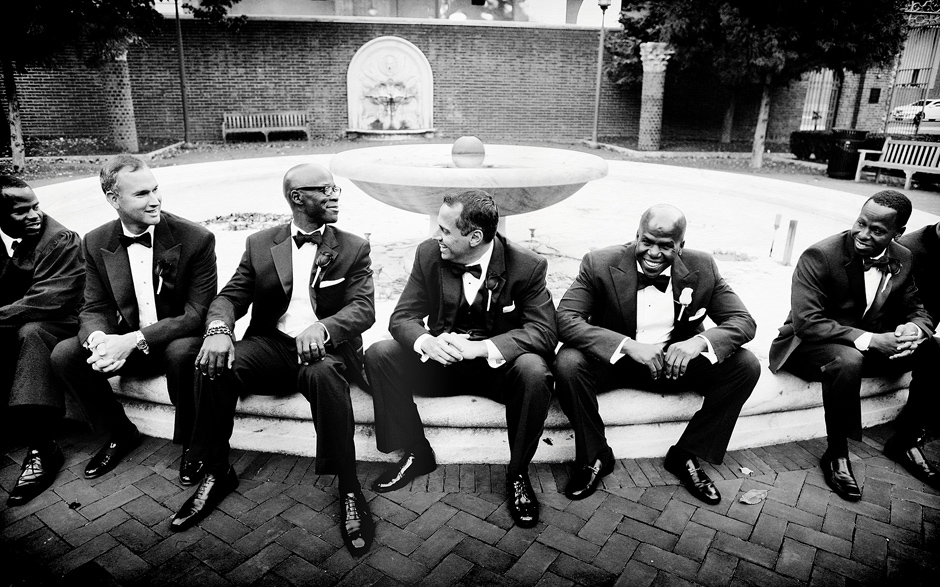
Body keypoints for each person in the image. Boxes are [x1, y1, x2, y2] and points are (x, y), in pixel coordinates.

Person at [171, 163, 376, 556]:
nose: (336, 196)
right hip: (271, 345)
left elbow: (363, 308)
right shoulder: (261, 243)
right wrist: (218, 331)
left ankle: (349, 485)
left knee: (325, 378)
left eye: (336, 190)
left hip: (324, 350)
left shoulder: (353, 246)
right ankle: (217, 470)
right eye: (326, 189)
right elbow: (229, 297)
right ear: (298, 198)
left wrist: (325, 328)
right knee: (212, 366)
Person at [365, 189, 557, 529]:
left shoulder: (527, 265)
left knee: (534, 370)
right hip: (442, 369)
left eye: (445, 231)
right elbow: (402, 318)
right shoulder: (428, 254)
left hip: (496, 373)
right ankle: (416, 452)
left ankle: (517, 473)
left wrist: (482, 348)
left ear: (475, 237)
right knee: (380, 354)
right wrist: (428, 342)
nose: (437, 237)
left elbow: (544, 332)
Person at [554, 204, 760, 505]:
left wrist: (699, 342)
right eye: (647, 242)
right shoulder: (599, 263)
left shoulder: (703, 267)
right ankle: (595, 457)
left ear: (681, 246)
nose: (653, 253)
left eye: (666, 246)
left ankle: (687, 454)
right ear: (637, 236)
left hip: (674, 365)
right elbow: (565, 319)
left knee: (746, 365)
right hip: (617, 363)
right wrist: (627, 346)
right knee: (568, 363)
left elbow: (743, 321)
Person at [51, 155, 217, 485]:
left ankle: (193, 445)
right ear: (113, 199)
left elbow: (196, 313)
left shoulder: (196, 238)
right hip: (127, 342)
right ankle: (118, 432)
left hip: (175, 340)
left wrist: (133, 340)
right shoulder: (96, 241)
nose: (155, 200)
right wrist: (99, 341)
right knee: (65, 356)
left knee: (183, 354)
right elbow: (93, 306)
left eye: (156, 189)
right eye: (142, 194)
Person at [770, 190, 940, 501]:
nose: (863, 234)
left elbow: (917, 308)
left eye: (877, 231)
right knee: (847, 360)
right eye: (860, 223)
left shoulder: (903, 256)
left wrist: (915, 329)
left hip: (862, 346)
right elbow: (807, 322)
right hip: (809, 345)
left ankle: (906, 439)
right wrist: (873, 340)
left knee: (935, 349)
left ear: (897, 233)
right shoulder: (821, 254)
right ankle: (836, 455)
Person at [1, 176, 84, 506]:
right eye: (22, 211)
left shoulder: (61, 239)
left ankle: (42, 446)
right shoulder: (17, 243)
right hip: (33, 318)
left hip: (70, 322)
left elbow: (47, 302)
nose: (35, 215)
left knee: (31, 332)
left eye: (36, 206)